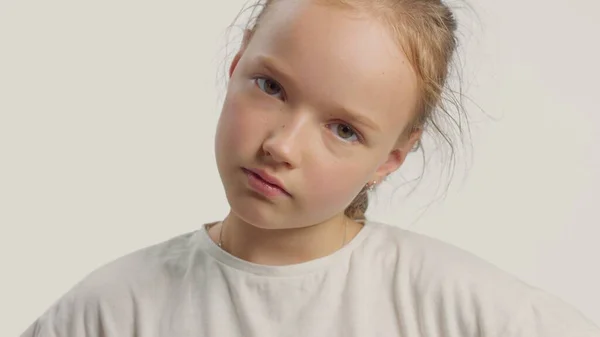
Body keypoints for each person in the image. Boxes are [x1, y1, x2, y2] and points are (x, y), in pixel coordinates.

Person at [22, 0, 599, 336]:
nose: (282, 145)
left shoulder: (467, 311)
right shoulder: (111, 310)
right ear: (237, 60)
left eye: (343, 129)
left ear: (392, 158)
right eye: (270, 86)